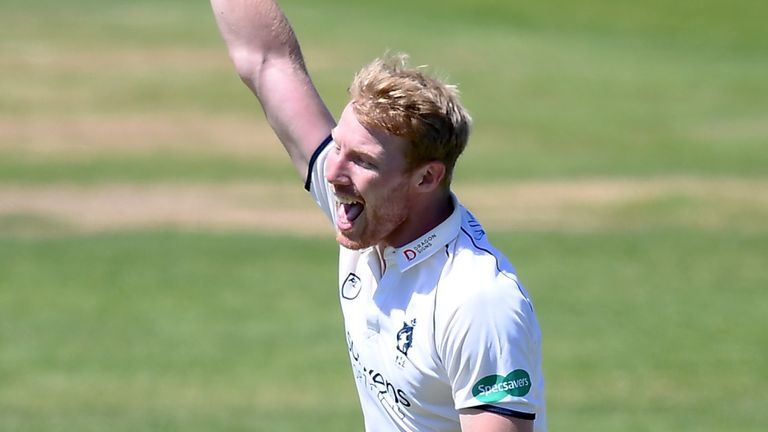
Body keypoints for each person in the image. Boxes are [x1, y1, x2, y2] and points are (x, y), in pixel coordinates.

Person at [210, 1, 546, 431]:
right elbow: (266, 60)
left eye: (362, 162)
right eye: (337, 146)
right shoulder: (367, 213)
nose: (331, 172)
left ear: (426, 177)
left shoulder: (477, 300)